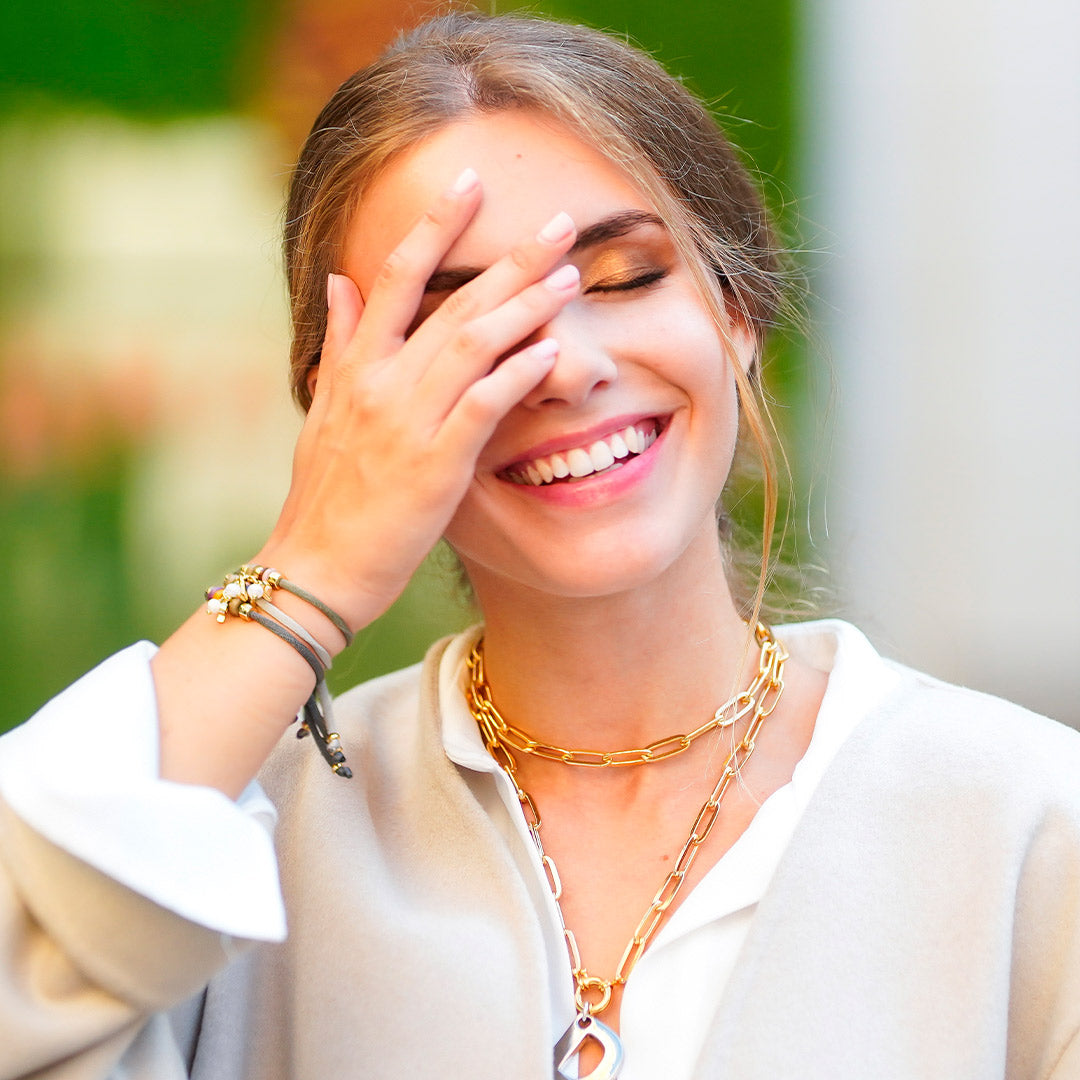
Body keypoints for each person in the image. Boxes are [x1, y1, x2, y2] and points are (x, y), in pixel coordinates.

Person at [1, 11, 1078, 1080]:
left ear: (737, 310)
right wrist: (311, 566)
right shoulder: (214, 843)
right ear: (342, 405)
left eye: (622, 279)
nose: (562, 367)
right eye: (459, 329)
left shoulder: (1027, 827)